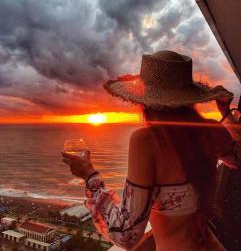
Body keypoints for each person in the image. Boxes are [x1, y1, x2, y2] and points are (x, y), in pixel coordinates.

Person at [62, 51, 241, 251]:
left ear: (144, 98)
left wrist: (89, 174)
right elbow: (237, 158)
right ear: (189, 96)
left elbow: (125, 235)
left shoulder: (146, 141)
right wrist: (226, 114)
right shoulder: (210, 130)